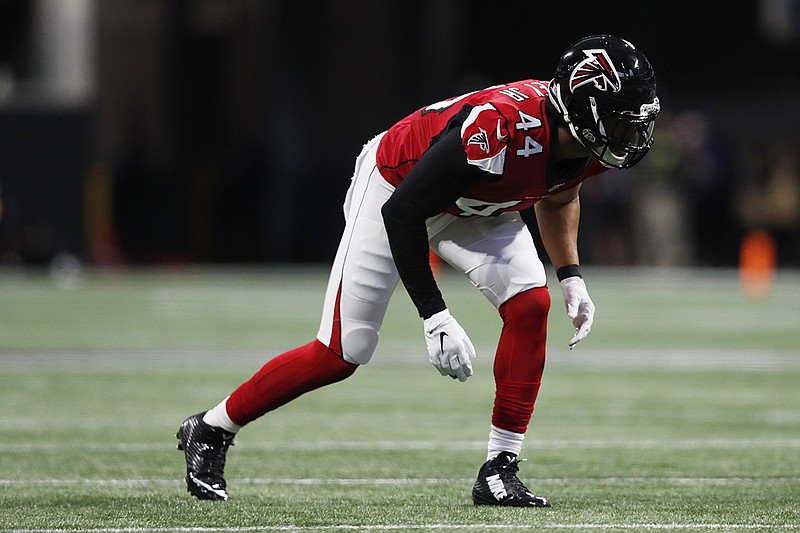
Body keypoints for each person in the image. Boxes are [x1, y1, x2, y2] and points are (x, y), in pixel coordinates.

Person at [177, 34, 660, 507]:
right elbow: (404, 212)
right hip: (396, 185)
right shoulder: (501, 128)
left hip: (474, 202)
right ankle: (213, 426)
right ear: (582, 110)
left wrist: (570, 273)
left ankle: (500, 470)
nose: (632, 135)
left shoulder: (581, 143)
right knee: (343, 351)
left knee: (532, 303)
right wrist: (435, 315)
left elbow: (561, 195)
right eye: (621, 122)